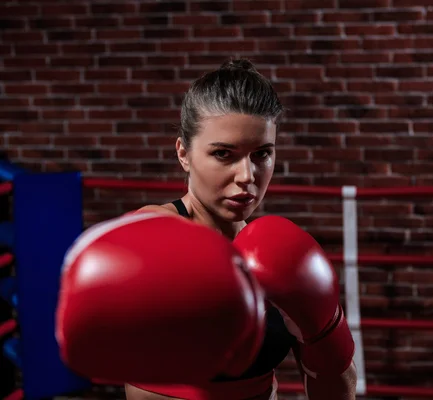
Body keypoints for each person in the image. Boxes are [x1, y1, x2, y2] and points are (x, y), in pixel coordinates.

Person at [56, 59, 357, 400]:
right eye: (224, 154)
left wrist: (326, 333)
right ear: (184, 153)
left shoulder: (281, 254)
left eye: (261, 154)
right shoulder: (158, 233)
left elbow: (337, 386)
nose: (246, 175)